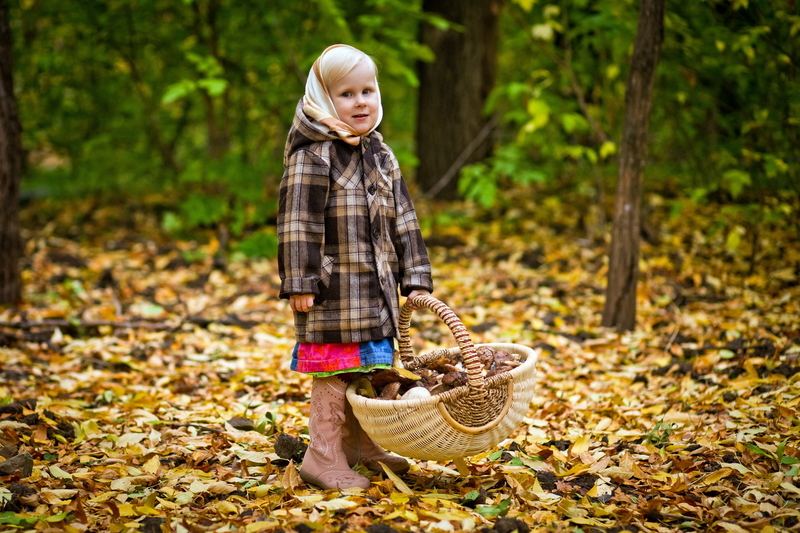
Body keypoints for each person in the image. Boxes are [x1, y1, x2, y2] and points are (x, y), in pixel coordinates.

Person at [277, 44, 434, 490]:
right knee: (334, 369)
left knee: (366, 365)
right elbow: (297, 223)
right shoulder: (313, 155)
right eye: (346, 94)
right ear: (324, 100)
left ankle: (359, 445)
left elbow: (404, 218)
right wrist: (301, 281)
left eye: (368, 90)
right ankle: (321, 455)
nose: (361, 101)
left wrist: (415, 276)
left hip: (375, 289)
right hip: (333, 290)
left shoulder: (380, 153)